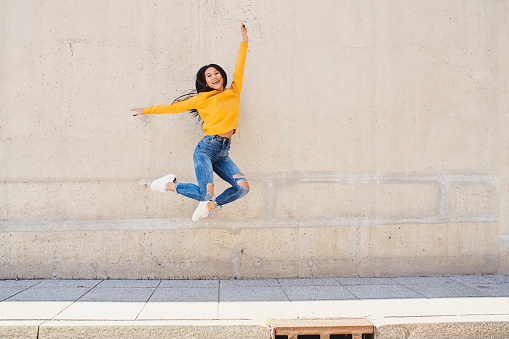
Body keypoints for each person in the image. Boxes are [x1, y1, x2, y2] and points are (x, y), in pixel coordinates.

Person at [131, 24, 250, 222]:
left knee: (242, 188)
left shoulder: (233, 92)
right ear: (205, 81)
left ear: (222, 75)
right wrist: (146, 110)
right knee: (205, 193)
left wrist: (244, 41)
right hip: (206, 148)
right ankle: (167, 185)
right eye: (209, 75)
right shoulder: (202, 99)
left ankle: (209, 207)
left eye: (216, 73)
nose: (214, 77)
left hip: (223, 152)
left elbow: (240, 66)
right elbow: (173, 107)